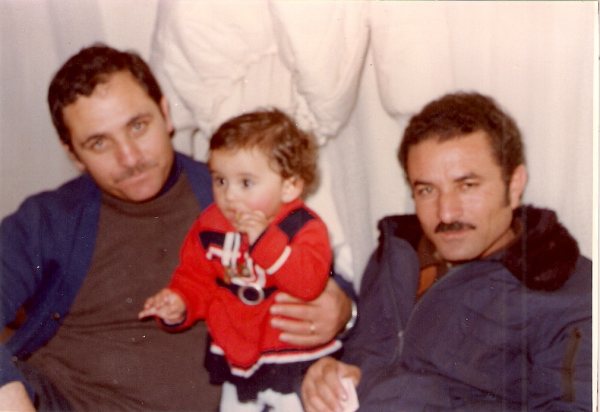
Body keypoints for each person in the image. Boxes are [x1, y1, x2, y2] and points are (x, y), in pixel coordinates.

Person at [0, 44, 354, 411]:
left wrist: (344, 310)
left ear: (166, 115)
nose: (130, 158)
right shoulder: (48, 219)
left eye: (138, 126)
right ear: (73, 155)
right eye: (99, 143)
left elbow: (317, 267)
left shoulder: (231, 196)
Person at [301, 92, 592, 411]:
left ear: (514, 184)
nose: (447, 213)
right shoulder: (397, 253)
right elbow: (368, 357)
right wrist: (325, 375)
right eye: (427, 190)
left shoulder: (570, 295)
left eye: (467, 186)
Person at [140, 109, 342, 411]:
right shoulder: (210, 226)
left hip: (295, 358)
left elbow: (309, 283)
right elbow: (195, 278)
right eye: (220, 180)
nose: (229, 196)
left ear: (290, 186)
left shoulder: (304, 227)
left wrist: (265, 241)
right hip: (236, 354)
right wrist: (179, 302)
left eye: (246, 183)